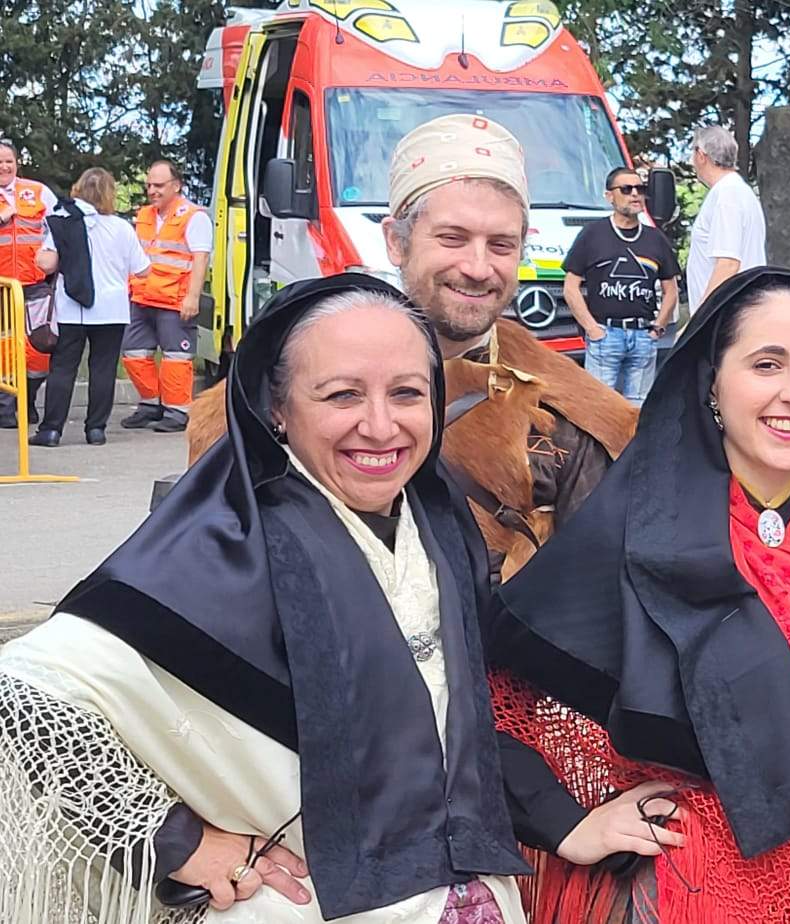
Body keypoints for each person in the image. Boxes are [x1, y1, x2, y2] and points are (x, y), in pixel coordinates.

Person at [0, 275, 531, 922]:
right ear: (275, 407)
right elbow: (18, 700)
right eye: (342, 395)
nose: (380, 425)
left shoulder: (436, 522)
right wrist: (176, 840)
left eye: (407, 394)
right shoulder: (226, 548)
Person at [487, 267, 790, 923]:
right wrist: (570, 824)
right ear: (712, 381)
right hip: (695, 888)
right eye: (767, 365)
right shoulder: (633, 528)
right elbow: (488, 694)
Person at [190, 114, 638, 582]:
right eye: (452, 238)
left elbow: (600, 593)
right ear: (396, 242)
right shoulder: (269, 399)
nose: (478, 267)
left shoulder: (575, 414)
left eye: (501, 245)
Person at [31, 167, 151, 447]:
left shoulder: (64, 223)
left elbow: (46, 263)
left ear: (78, 190)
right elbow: (143, 270)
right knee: (103, 368)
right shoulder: (122, 228)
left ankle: (51, 431)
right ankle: (96, 429)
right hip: (112, 310)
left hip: (73, 307)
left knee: (63, 368)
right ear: (110, 194)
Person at [563, 165, 679, 403]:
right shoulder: (592, 234)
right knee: (598, 409)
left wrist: (658, 328)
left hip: (643, 337)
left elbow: (671, 290)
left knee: (637, 412)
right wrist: (592, 329)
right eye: (626, 189)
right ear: (609, 196)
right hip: (605, 336)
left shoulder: (656, 239)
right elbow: (570, 286)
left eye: (640, 188)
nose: (635, 194)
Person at [120, 159, 213, 433]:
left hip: (174, 300)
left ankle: (177, 411)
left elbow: (200, 258)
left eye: (159, 185)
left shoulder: (194, 216)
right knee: (134, 354)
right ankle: (150, 405)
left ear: (176, 185)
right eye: (149, 185)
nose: (152, 190)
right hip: (142, 297)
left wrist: (192, 298)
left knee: (176, 358)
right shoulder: (145, 215)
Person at [0, 140, 55, 428]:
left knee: (40, 347)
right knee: (5, 347)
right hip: (1, 288)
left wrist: (51, 257)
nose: (4, 167)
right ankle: (6, 410)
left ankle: (28, 400)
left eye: (9, 161)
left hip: (34, 285)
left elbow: (58, 227)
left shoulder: (37, 192)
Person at [685, 125, 766, 310]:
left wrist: (700, 317)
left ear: (701, 155)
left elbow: (728, 264)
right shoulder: (739, 191)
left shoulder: (727, 195)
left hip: (724, 315)